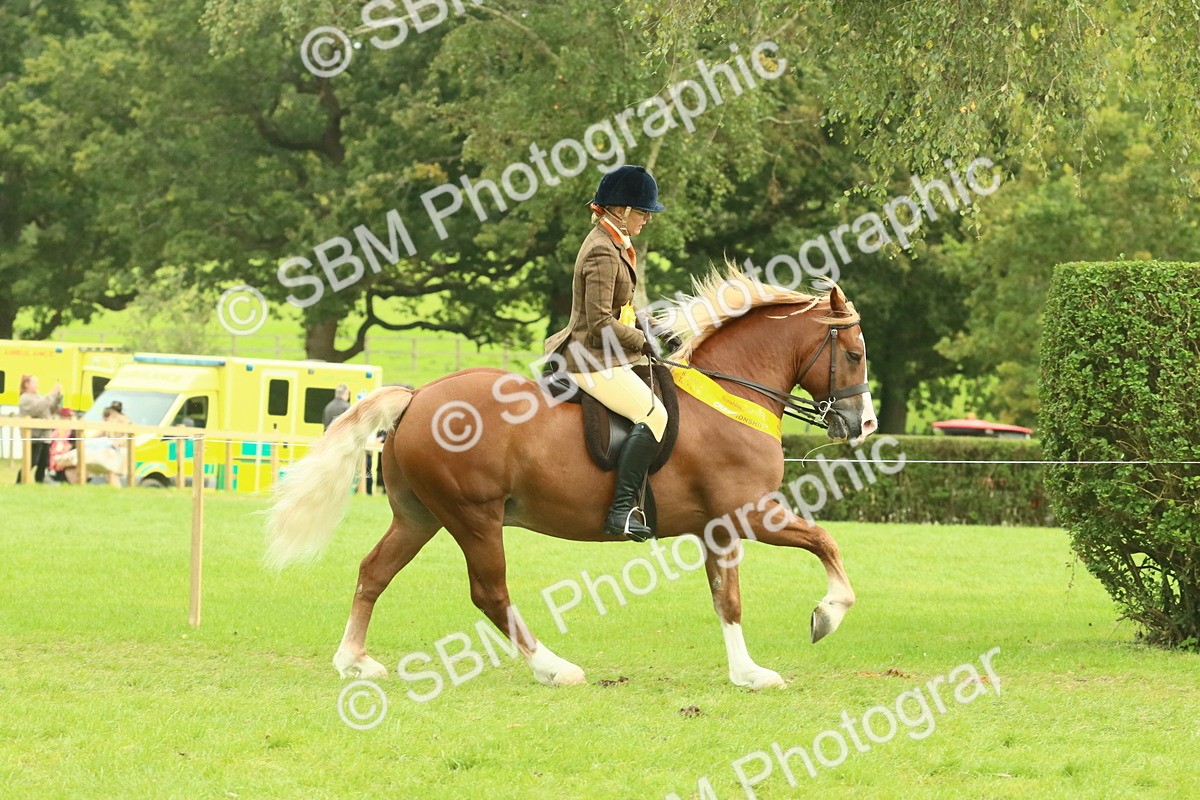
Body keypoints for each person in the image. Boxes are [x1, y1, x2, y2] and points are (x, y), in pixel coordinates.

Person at [543, 165, 668, 540]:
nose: (648, 218)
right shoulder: (601, 250)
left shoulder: (615, 243)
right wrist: (643, 343)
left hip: (606, 352)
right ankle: (622, 511)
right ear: (620, 209)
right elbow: (599, 322)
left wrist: (659, 329)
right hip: (589, 356)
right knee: (654, 414)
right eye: (643, 211)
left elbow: (623, 308)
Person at [17, 373, 63, 484]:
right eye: (34, 382)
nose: (37, 385)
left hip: (45, 435)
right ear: (26, 384)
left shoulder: (39, 396)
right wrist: (52, 393)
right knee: (31, 462)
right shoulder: (25, 398)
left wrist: (57, 397)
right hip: (34, 436)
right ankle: (19, 482)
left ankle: (40, 482)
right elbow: (38, 407)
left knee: (43, 463)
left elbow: (50, 409)